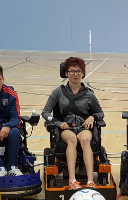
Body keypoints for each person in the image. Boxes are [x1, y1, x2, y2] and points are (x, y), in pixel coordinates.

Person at [42, 57, 104, 190]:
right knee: (71, 139)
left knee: (86, 140)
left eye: (78, 71)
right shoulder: (58, 92)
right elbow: (45, 113)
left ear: (83, 73)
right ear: (66, 73)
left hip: (83, 127)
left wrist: (92, 117)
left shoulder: (89, 94)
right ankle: (72, 180)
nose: (75, 74)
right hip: (66, 128)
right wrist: (57, 122)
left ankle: (90, 181)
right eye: (72, 71)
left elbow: (100, 113)